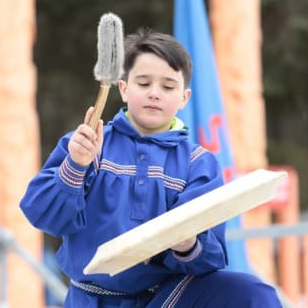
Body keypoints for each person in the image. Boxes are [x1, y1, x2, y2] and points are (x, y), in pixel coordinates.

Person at [20, 29, 282, 308]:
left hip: (166, 298)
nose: (155, 94)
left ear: (184, 97)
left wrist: (187, 244)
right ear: (123, 89)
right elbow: (41, 213)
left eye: (168, 87)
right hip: (92, 299)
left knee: (251, 293)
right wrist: (76, 165)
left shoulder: (197, 163)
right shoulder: (88, 145)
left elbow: (211, 256)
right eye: (143, 83)